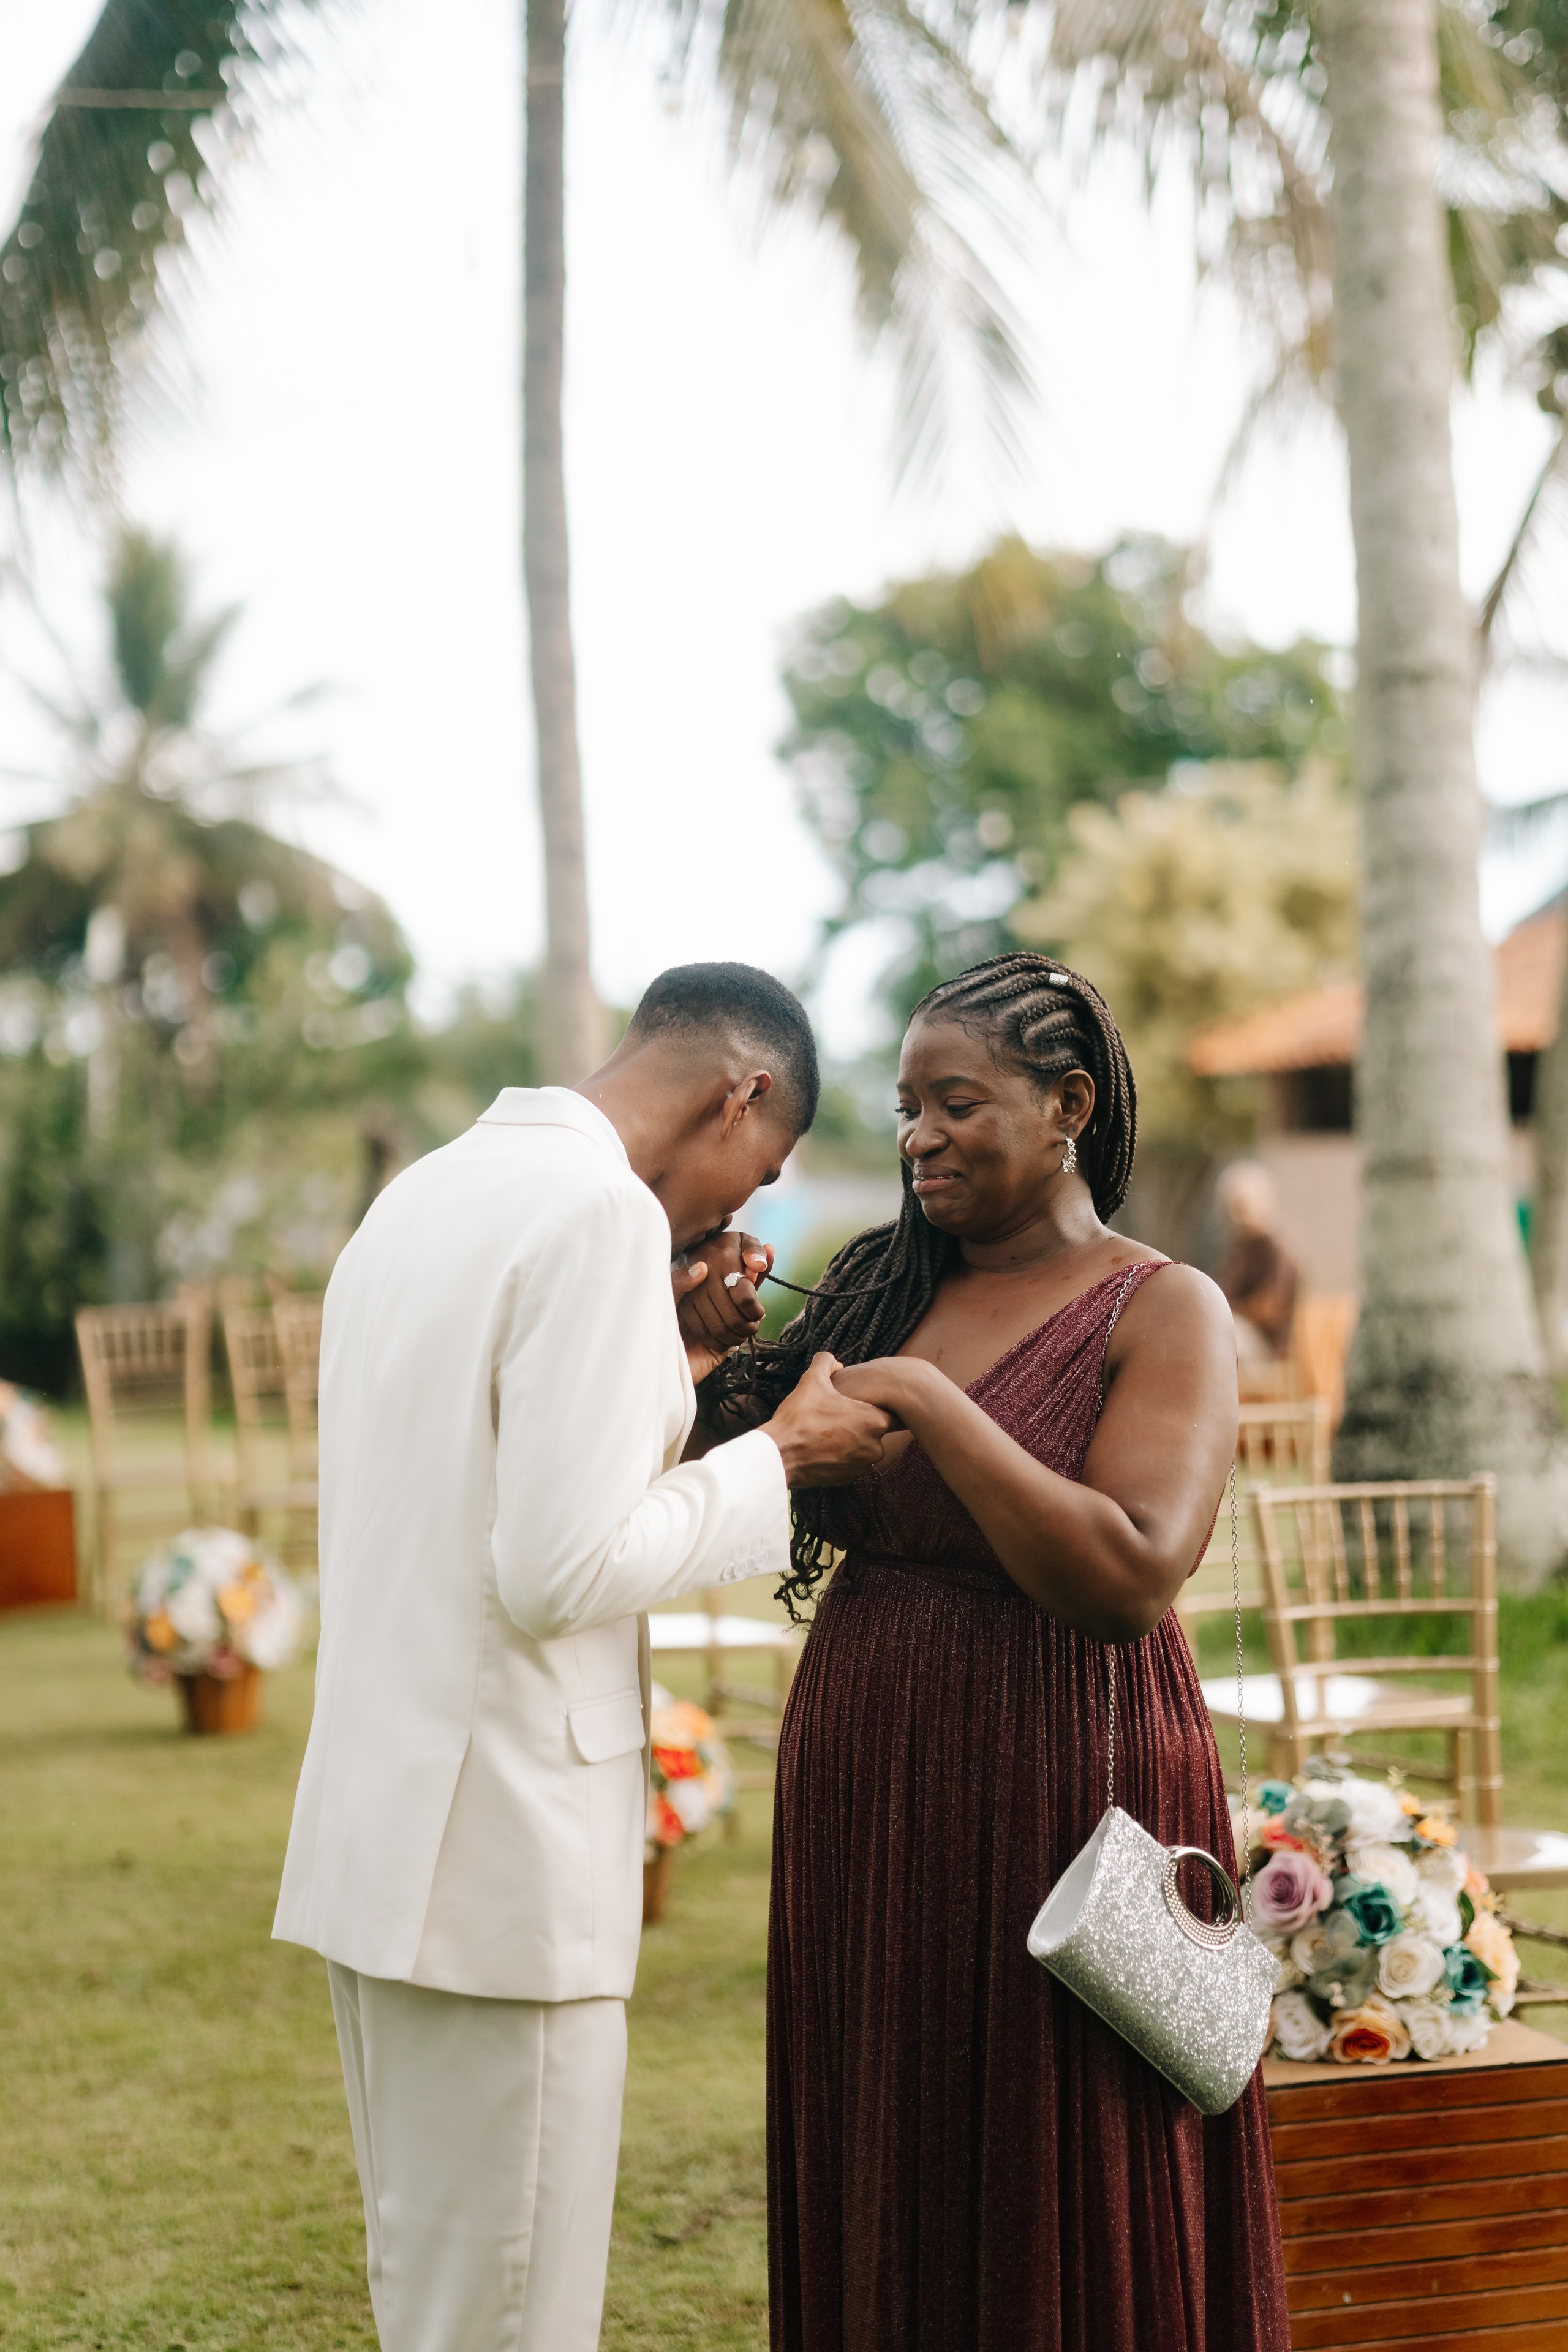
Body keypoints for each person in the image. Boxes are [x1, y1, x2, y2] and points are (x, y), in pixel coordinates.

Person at [274, 961, 891, 2352]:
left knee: (436, 2302)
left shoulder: (427, 1191)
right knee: (510, 2320)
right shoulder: (597, 1211)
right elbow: (559, 1569)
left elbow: (492, 1479)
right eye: (765, 1167)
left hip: (385, 1844)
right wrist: (780, 1458)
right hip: (501, 1866)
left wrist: (671, 1351)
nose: (743, 1213)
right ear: (740, 1092)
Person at [699, 952, 1289, 2352]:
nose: (914, 1136)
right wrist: (693, 1347)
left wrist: (924, 1401)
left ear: (1066, 1102)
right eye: (905, 1107)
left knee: (1059, 2137)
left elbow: (1128, 1572)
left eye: (953, 1102)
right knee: (894, 2125)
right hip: (872, 1760)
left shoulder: (1161, 1307)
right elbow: (730, 1480)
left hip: (1063, 1772)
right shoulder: (879, 1287)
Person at [1215, 1160, 1299, 1361]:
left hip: (1265, 1348)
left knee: (1221, 1339)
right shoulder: (1241, 1247)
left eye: (1241, 1208)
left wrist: (1231, 1312)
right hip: (1238, 1329)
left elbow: (1270, 1307)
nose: (1237, 1217)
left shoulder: (1275, 1250)